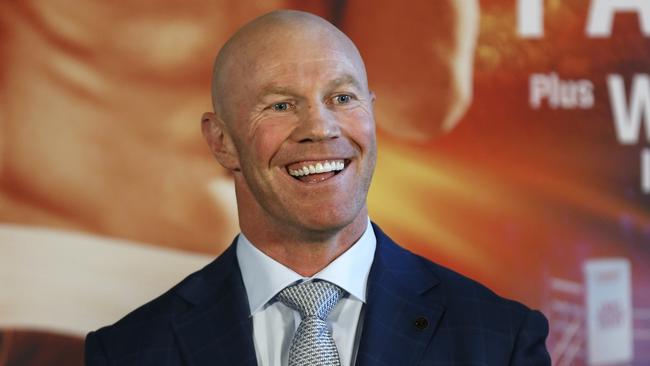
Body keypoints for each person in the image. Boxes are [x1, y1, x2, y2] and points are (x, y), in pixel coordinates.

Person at [85, 9, 549, 366]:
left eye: (341, 98)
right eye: (282, 104)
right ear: (221, 141)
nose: (321, 128)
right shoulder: (130, 351)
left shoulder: (500, 339)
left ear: (371, 113)